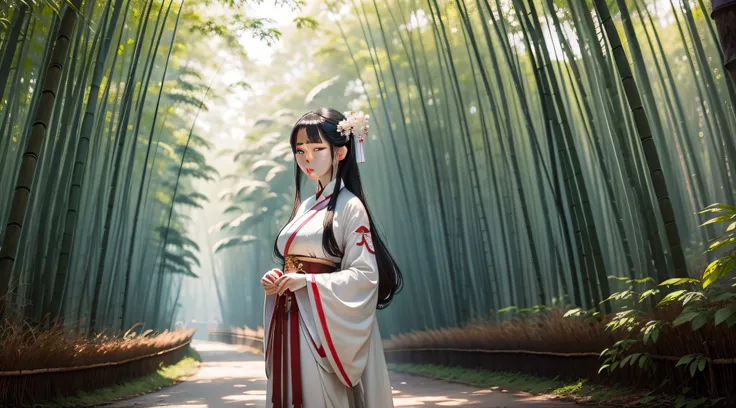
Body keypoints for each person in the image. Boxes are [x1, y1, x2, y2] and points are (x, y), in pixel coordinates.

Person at [261, 108, 402, 407]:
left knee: (317, 393)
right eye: (300, 150)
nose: (307, 159)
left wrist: (306, 282)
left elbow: (365, 276)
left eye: (317, 149)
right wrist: (277, 278)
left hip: (322, 325)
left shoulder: (351, 207)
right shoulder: (306, 205)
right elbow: (294, 261)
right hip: (293, 317)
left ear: (340, 152)